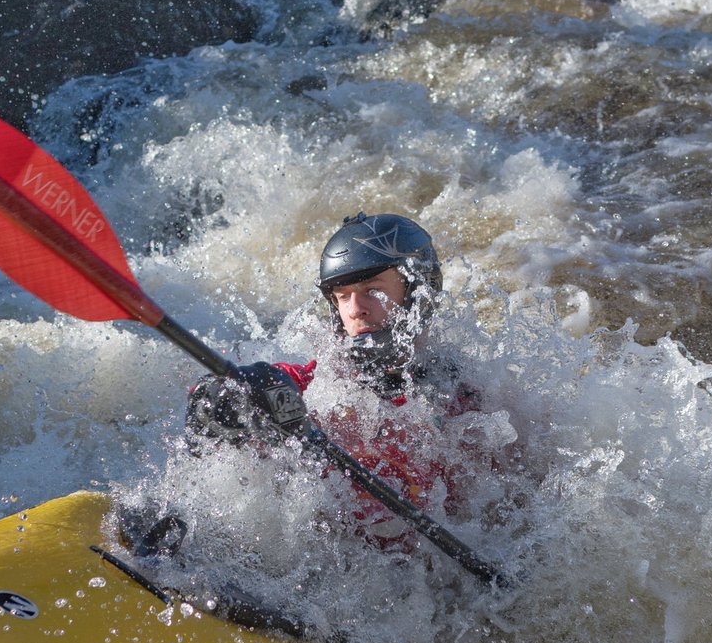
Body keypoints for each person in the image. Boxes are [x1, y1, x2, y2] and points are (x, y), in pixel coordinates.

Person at [185, 212, 486, 551]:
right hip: (330, 563)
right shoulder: (318, 382)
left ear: (417, 295)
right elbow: (252, 389)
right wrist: (227, 397)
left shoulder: (472, 401)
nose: (355, 309)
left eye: (372, 290)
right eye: (343, 296)